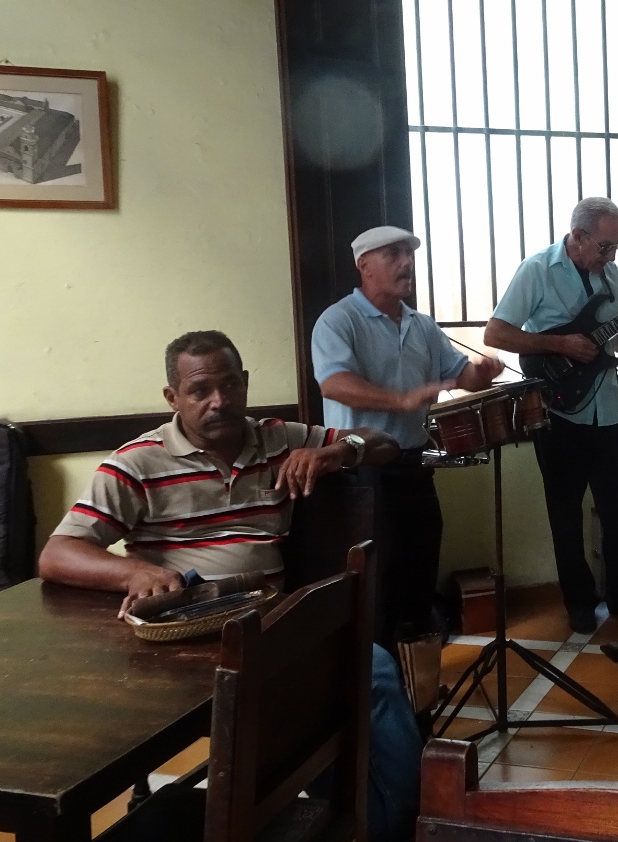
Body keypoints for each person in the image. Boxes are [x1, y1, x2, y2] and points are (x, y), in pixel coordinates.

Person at [37, 330, 421, 842]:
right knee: (329, 699)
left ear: (244, 383)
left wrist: (339, 452)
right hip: (185, 644)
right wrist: (135, 572)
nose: (219, 401)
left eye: (229, 385)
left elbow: (384, 443)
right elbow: (56, 554)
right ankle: (378, 822)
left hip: (270, 625)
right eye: (200, 391)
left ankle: (386, 820)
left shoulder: (276, 437)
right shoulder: (136, 463)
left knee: (370, 670)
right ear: (173, 397)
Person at [311, 225, 503, 643]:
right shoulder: (338, 320)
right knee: (377, 585)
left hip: (414, 469)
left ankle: (417, 672)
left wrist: (482, 373)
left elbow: (462, 376)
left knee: (419, 573)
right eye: (394, 254)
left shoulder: (423, 326)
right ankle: (377, 674)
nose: (407, 263)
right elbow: (333, 383)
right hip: (362, 474)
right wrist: (400, 399)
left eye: (409, 254)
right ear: (364, 265)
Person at [483, 198, 618, 634]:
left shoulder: (610, 275)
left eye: (616, 247)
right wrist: (560, 344)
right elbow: (496, 332)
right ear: (578, 236)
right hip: (557, 411)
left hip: (608, 408)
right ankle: (579, 603)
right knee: (565, 513)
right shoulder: (537, 269)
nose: (611, 257)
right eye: (605, 247)